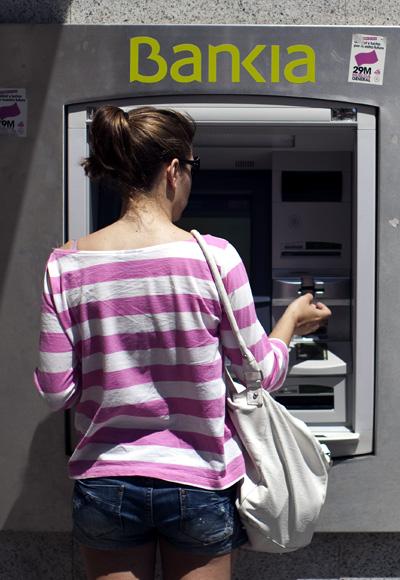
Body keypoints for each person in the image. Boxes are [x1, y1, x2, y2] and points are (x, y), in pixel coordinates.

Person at [33, 105, 331, 580]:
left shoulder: (65, 265)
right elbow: (261, 374)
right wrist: (291, 322)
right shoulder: (213, 257)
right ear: (173, 171)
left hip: (107, 482)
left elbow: (55, 391)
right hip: (199, 481)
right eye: (192, 167)